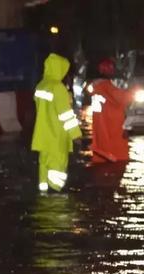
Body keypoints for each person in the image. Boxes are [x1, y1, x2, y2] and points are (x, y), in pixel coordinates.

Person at [31, 53, 82, 192]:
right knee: (57, 177)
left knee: (43, 171)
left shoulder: (41, 86)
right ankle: (56, 206)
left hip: (43, 139)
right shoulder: (58, 88)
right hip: (57, 140)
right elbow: (65, 115)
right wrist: (76, 135)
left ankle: (44, 199)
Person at [88, 58, 135, 164]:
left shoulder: (97, 87)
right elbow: (121, 98)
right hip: (112, 126)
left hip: (101, 125)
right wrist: (132, 92)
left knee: (102, 149)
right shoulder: (105, 87)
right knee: (116, 160)